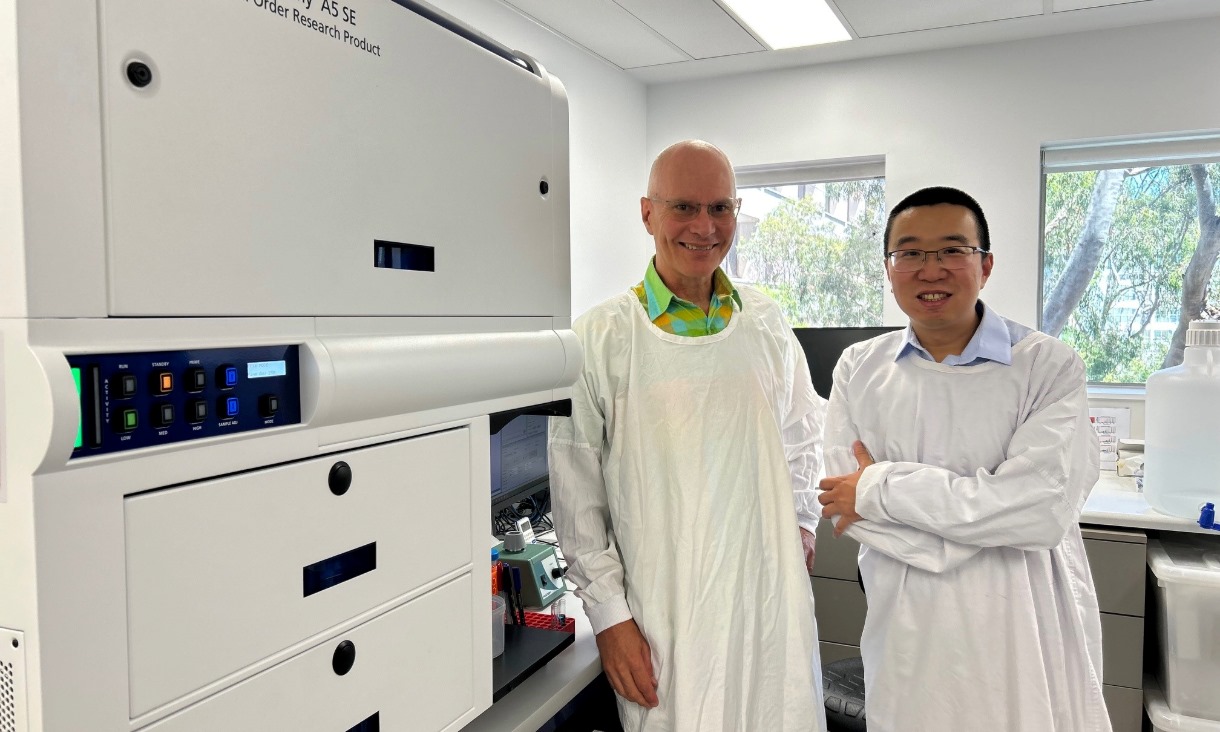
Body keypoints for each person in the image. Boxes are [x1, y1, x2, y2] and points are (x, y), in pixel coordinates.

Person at [548, 140, 828, 732]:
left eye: (721, 208)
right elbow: (578, 501)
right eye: (684, 208)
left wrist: (802, 522)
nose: (705, 227)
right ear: (648, 213)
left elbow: (806, 431)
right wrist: (610, 620)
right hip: (668, 612)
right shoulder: (599, 339)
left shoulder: (767, 322)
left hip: (768, 599)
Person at [817, 186, 1110, 731]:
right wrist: (988, 521)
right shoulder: (859, 369)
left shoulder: (1047, 367)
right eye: (910, 253)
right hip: (909, 630)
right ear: (889, 267)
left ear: (986, 264)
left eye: (953, 250)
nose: (932, 269)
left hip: (1025, 625)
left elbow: (1039, 513)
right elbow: (842, 505)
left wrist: (881, 490)